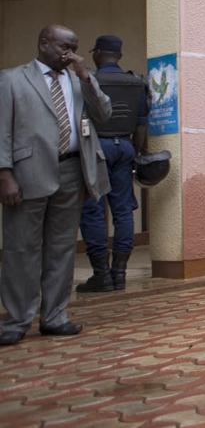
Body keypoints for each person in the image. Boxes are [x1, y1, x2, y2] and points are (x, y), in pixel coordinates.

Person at [0, 25, 112, 346]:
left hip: (72, 171)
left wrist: (86, 76)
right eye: (65, 47)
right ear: (44, 43)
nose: (70, 53)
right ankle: (17, 319)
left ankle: (54, 316)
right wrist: (4, 173)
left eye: (74, 47)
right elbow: (2, 129)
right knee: (22, 249)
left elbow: (103, 113)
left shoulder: (78, 80)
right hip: (27, 174)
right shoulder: (12, 79)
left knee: (62, 249)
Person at [77, 34, 149, 293]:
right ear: (119, 56)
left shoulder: (89, 81)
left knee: (93, 210)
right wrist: (135, 152)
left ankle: (101, 274)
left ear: (97, 53)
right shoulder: (136, 82)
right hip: (125, 148)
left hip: (95, 149)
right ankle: (120, 273)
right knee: (123, 211)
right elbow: (141, 125)